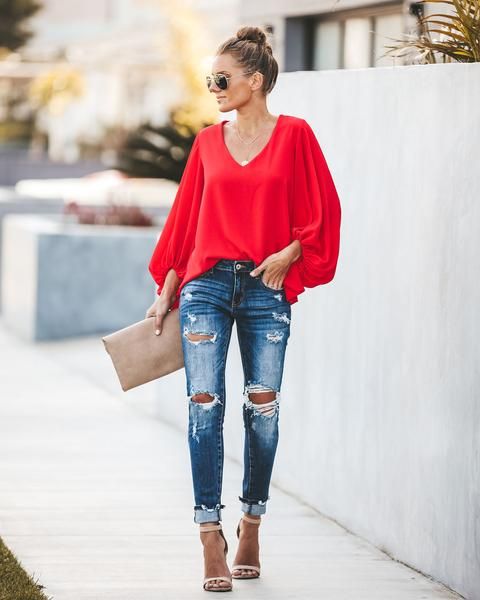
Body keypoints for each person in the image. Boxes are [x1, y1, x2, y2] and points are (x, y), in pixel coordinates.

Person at [146, 25, 342, 592]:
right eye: (212, 78)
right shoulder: (208, 142)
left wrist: (291, 250)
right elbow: (185, 224)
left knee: (264, 408)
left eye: (221, 78)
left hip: (265, 287)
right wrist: (167, 292)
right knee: (204, 404)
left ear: (254, 82)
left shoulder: (296, 136)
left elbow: (323, 210)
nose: (213, 86)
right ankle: (210, 534)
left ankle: (251, 522)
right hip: (206, 285)